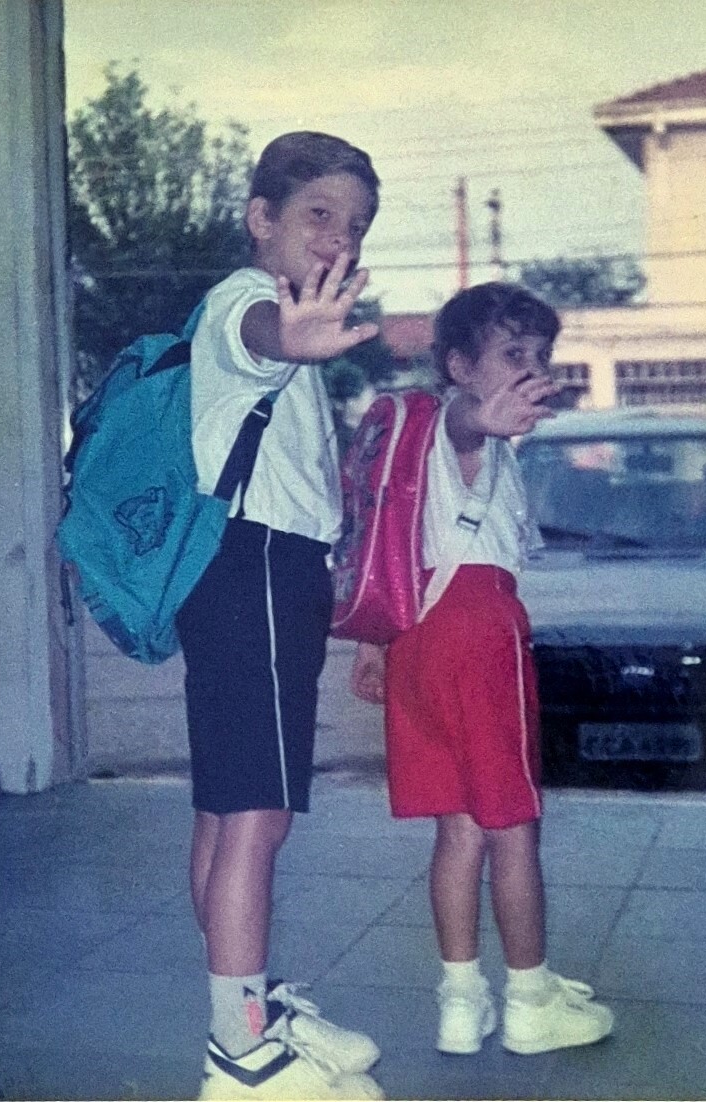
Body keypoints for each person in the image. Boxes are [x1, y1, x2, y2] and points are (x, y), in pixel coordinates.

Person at [349, 283, 616, 1058]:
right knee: (513, 827)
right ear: (460, 366)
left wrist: (376, 642)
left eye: (540, 356)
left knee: (459, 827)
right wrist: (483, 415)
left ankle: (461, 1001)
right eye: (512, 356)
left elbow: (404, 535)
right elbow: (465, 423)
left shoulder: (433, 437)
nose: (533, 371)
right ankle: (529, 998)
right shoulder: (459, 427)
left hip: (419, 635)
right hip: (478, 633)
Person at [181, 131, 385, 1101]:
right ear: (261, 219)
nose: (337, 240)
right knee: (258, 812)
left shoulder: (276, 321)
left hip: (245, 566)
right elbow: (259, 332)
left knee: (227, 811)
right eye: (317, 216)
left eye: (354, 226)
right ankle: (240, 1056)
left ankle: (248, 1010)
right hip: (255, 563)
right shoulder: (245, 304)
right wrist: (290, 338)